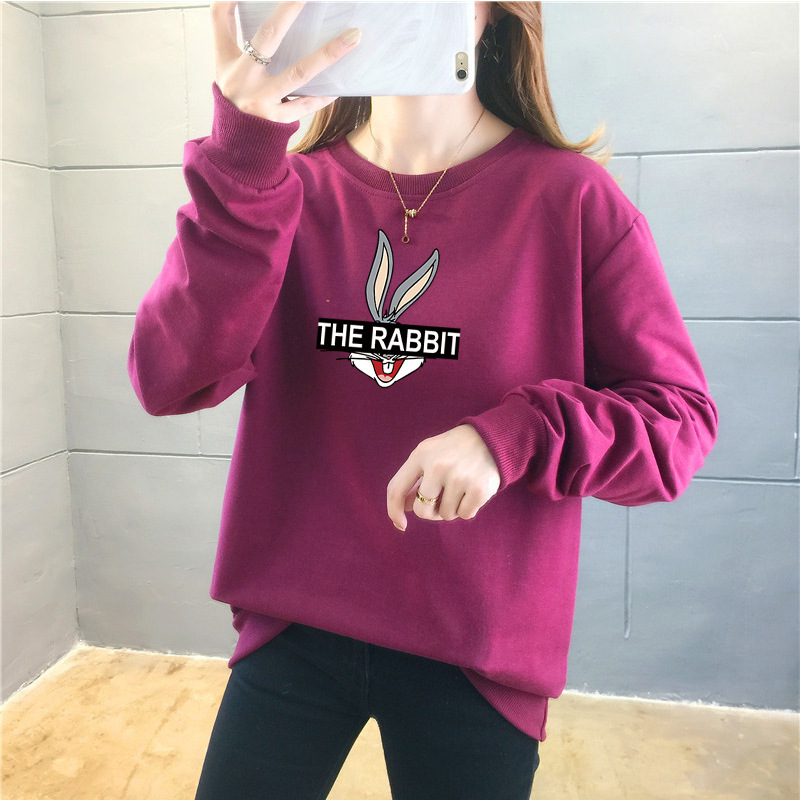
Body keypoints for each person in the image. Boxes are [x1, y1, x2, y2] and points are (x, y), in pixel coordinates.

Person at [128, 2, 718, 797]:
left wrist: (514, 436)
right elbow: (168, 379)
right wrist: (242, 157)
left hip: (477, 647)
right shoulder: (281, 188)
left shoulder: (571, 200)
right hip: (296, 623)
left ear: (495, 13)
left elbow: (678, 423)